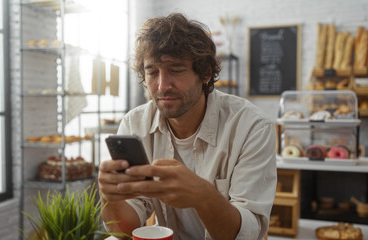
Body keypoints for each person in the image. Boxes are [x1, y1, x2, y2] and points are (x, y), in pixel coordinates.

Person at [98, 13, 277, 240]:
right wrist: (109, 196)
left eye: (176, 70)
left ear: (205, 74)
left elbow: (247, 235)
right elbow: (126, 229)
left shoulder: (252, 127)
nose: (162, 86)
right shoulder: (135, 124)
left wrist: (203, 196)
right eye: (152, 72)